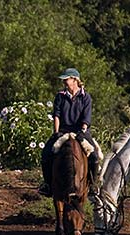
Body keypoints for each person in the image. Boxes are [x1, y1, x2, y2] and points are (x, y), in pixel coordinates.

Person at [38, 68, 101, 198]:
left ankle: (93, 185)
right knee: (46, 154)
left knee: (94, 156)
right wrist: (56, 132)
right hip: (63, 131)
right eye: (64, 80)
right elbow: (57, 115)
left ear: (75, 80)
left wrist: (82, 131)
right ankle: (48, 184)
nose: (65, 82)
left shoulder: (86, 97)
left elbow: (86, 118)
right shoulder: (60, 96)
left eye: (67, 79)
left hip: (81, 131)